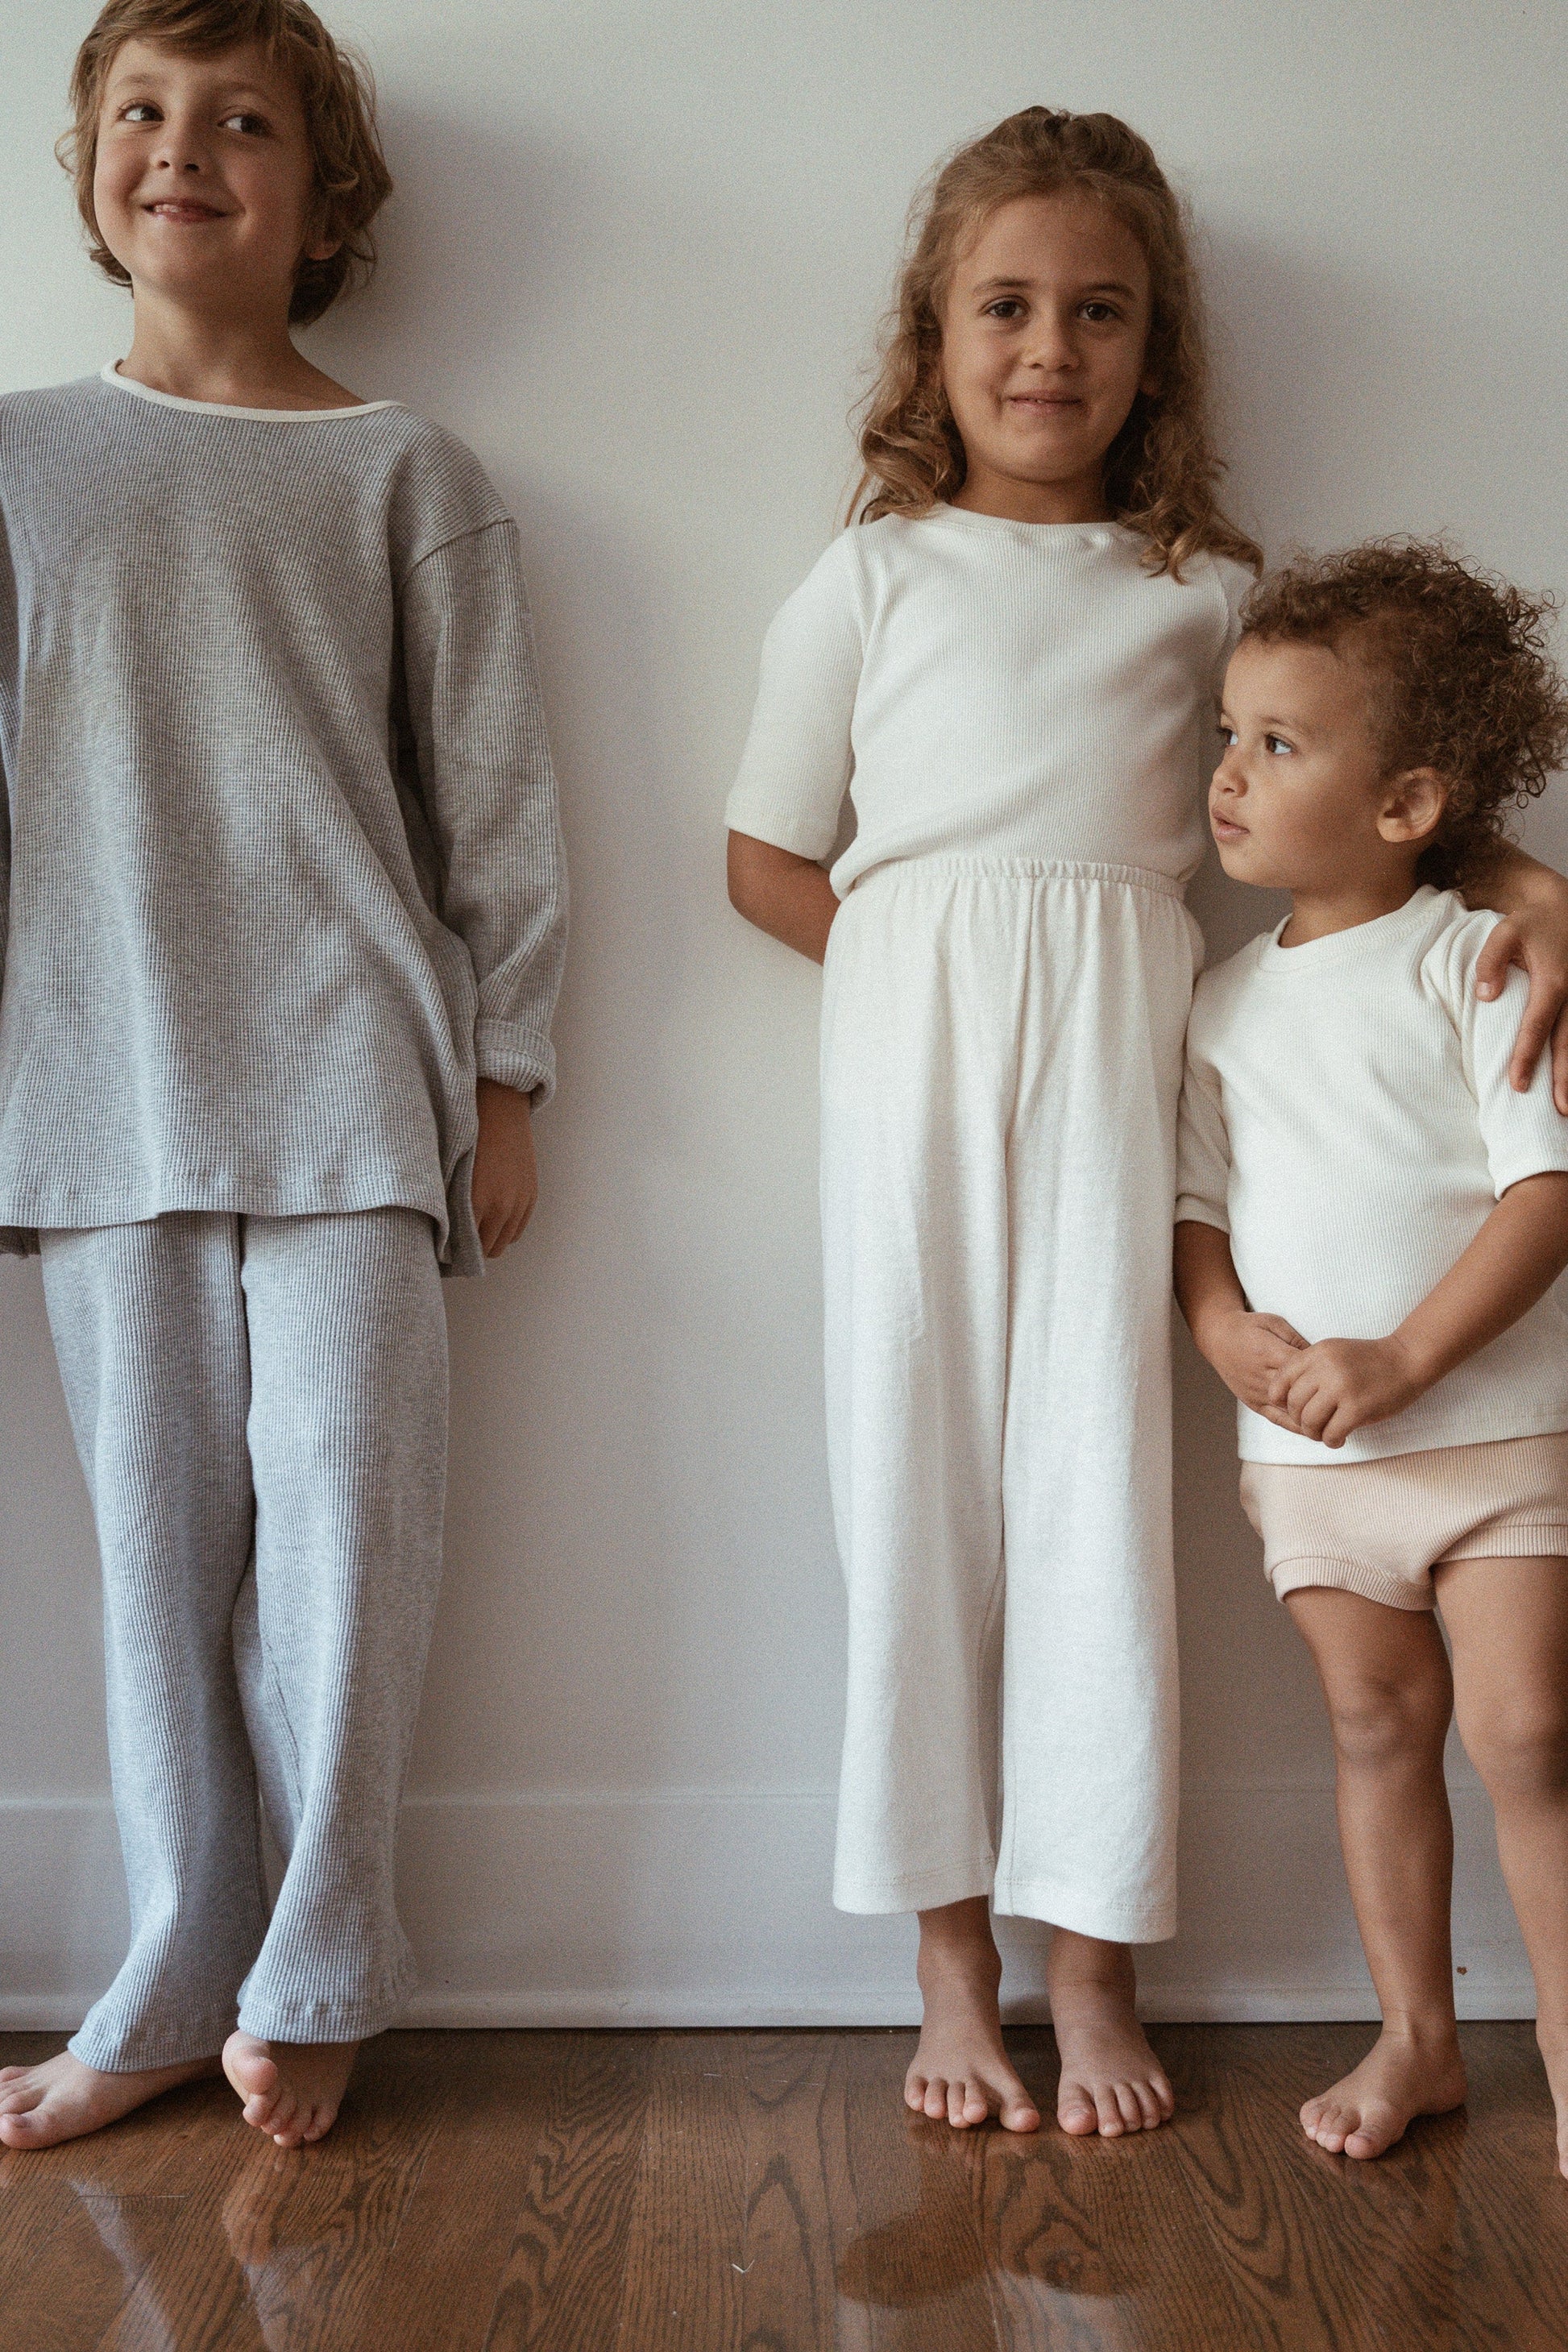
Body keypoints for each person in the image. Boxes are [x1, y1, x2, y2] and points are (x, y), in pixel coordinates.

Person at [726, 108, 1568, 2137]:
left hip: (1127, 1058)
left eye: (1098, 312)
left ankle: (1091, 1961)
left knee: (1096, 1500)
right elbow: (764, 858)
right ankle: (950, 1965)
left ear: (1154, 349)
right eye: (1003, 306)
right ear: (932, 334)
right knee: (916, 1490)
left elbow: (1359, 791)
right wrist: (927, 997)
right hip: (912, 1069)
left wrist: (1533, 887)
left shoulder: (1199, 590)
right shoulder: (867, 575)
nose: (1048, 348)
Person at [0, 0, 564, 2151]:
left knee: (352, 1534)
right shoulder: (17, 458)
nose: (182, 150)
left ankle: (321, 1958)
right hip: (91, 1088)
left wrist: (507, 1070)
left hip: (353, 1078)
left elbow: (494, 802)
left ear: (320, 198)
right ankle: (172, 1963)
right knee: (154, 1557)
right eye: (138, 113)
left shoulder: (405, 472)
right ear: (84, 172)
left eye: (240, 122)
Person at [1176, 541, 1568, 2174]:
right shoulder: (1212, 1001)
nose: (1228, 774)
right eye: (1226, 731)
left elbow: (1544, 1188)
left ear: (1407, 800)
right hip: (1313, 1460)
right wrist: (1219, 1329)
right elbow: (1194, 1212)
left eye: (1280, 742)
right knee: (1370, 1729)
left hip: (1491, 1433)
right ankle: (1417, 2035)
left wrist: (1405, 1357)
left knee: (1530, 1733)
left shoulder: (1474, 959)